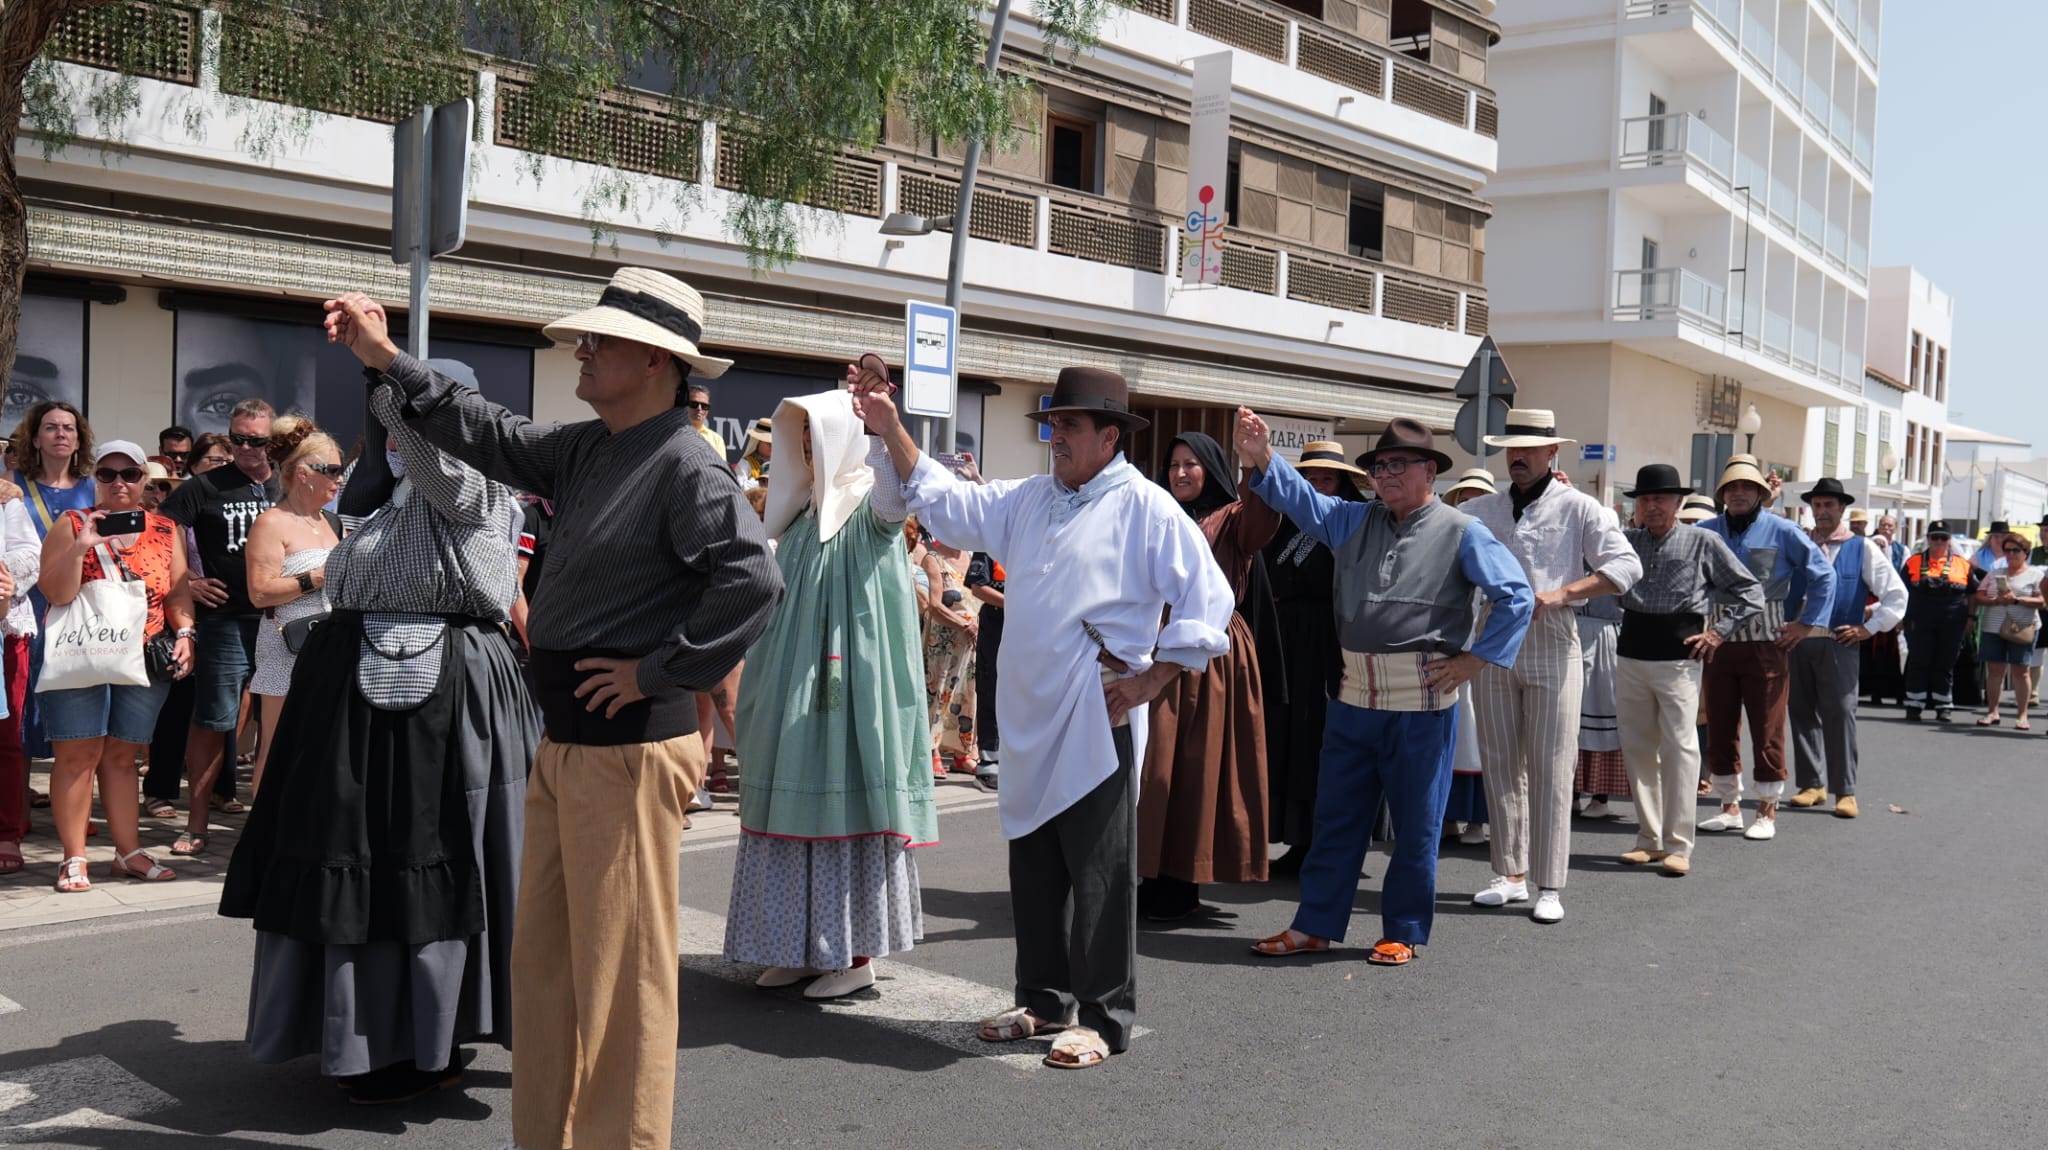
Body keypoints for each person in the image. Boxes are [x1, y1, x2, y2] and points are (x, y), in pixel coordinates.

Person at [320, 270, 780, 1147]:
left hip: (628, 744)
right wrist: (384, 359)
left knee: (622, 976)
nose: (583, 348)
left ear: (654, 360)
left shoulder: (685, 461)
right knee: (548, 972)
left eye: (599, 340)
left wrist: (659, 673)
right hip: (571, 738)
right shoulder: (592, 445)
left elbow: (754, 579)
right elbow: (486, 432)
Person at [853, 364, 1232, 1070]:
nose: (1055, 436)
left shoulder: (1147, 507)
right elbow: (946, 501)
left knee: (1099, 870)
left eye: (1071, 426)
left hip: (1097, 709)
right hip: (1029, 710)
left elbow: (1210, 599)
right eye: (1052, 424)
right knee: (1033, 861)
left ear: (1110, 436)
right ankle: (1043, 998)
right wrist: (890, 426)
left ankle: (1104, 1015)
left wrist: (1155, 677)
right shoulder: (1028, 498)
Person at [218, 354, 532, 1105]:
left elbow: (440, 470)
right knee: (358, 864)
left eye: (412, 412)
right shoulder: (379, 501)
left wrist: (391, 378)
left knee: (433, 858)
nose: (393, 432)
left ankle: (424, 1039)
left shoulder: (475, 482)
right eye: (387, 416)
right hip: (356, 699)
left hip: (445, 696)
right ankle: (369, 1035)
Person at [1240, 412, 1532, 967]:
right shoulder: (1354, 519)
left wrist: (1474, 660)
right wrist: (1261, 456)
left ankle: (1404, 930)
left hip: (1422, 705)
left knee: (1417, 825)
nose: (1385, 474)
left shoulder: (1461, 531)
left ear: (1430, 471)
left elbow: (1515, 596)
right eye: (1378, 465)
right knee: (1335, 821)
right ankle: (1315, 926)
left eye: (1399, 464)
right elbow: (1302, 501)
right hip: (1353, 699)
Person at [724, 387, 934, 999]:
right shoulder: (794, 522)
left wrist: (880, 427)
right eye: (804, 441)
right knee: (791, 809)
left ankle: (855, 955)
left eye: (819, 436)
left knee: (842, 807)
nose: (809, 451)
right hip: (792, 694)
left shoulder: (869, 513)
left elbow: (898, 494)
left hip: (848, 702)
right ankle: (803, 948)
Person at [1463, 410, 1640, 925]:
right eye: (1511, 449)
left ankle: (1550, 883)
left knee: (1552, 763)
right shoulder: (1480, 509)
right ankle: (1509, 873)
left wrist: (1564, 593)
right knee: (1499, 757)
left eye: (1528, 449)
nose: (1517, 457)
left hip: (1553, 636)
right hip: (1493, 637)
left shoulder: (1581, 507)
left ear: (1551, 453)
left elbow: (1626, 567)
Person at [41, 440, 197, 893]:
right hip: (83, 652)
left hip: (144, 655)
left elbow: (177, 593)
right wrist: (82, 547)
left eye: (129, 474)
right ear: (96, 480)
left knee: (123, 757)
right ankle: (74, 857)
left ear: (144, 480)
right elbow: (55, 593)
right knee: (77, 755)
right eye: (107, 475)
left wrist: (186, 633)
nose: (119, 483)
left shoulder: (166, 529)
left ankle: (127, 852)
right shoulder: (71, 524)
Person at [1137, 431, 1279, 922]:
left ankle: (1179, 885)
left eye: (1191, 464)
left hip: (1212, 654)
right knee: (1152, 767)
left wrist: (1253, 464)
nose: (1180, 472)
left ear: (1211, 469)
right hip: (1156, 643)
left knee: (1195, 770)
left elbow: (1263, 520)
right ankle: (1147, 875)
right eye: (1173, 463)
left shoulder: (1233, 518)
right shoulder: (1157, 514)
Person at [1609, 464, 1763, 876]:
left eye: (1660, 498)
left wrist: (1718, 634)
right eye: (1644, 499)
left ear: (1678, 502)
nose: (1651, 506)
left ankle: (1679, 844)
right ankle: (1648, 838)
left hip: (1679, 658)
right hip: (1631, 652)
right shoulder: (1626, 542)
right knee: (1639, 749)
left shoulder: (1703, 541)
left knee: (1680, 749)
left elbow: (1751, 592)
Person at [158, 398, 278, 855]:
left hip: (283, 619)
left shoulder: (291, 482)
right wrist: (187, 580)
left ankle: (269, 821)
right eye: (238, 439)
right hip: (226, 619)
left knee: (279, 722)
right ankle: (197, 823)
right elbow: (161, 529)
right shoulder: (205, 486)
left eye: (257, 440)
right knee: (213, 720)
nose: (246, 448)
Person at [1696, 455, 1834, 842]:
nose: (1739, 494)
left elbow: (1822, 574)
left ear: (1759, 493)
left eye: (1746, 487)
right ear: (1722, 493)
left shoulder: (1783, 530)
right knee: (1720, 723)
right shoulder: (1706, 530)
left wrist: (1806, 623)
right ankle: (1729, 807)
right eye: (1732, 487)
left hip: (1766, 639)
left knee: (1767, 725)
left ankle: (1767, 810)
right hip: (1718, 640)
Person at [1262, 442, 1368, 874]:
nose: (1317, 485)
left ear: (1341, 483)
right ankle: (1293, 836)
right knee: (1285, 737)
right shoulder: (1281, 521)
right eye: (1310, 478)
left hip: (1329, 640)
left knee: (1319, 739)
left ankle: (1324, 842)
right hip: (1283, 637)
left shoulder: (1351, 525)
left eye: (1326, 478)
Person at [1786, 479, 1905, 819]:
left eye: (1829, 505)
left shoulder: (1861, 547)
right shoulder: (1800, 543)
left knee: (1840, 712)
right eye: (1817, 505)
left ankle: (1845, 790)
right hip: (1798, 638)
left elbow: (1896, 594)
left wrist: (1868, 628)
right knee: (1801, 710)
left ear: (1841, 509)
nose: (1822, 511)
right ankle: (1811, 784)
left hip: (1840, 639)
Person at [241, 418, 343, 798]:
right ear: (303, 473)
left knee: (318, 747)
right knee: (278, 745)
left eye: (340, 469)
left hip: (327, 648)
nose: (339, 478)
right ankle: (263, 841)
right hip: (286, 649)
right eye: (331, 469)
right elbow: (259, 593)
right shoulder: (271, 523)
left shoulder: (329, 521)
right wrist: (316, 577)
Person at [11, 401, 98, 772]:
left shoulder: (95, 489)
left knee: (70, 692)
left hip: (76, 601)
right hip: (27, 603)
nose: (60, 434)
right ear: (34, 439)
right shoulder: (11, 486)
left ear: (79, 441)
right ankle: (21, 794)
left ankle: (71, 793)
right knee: (24, 695)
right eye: (50, 428)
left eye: (68, 428)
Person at [1440, 465, 1496, 846]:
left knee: (1482, 738)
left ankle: (1479, 820)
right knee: (1454, 737)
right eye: (1465, 498)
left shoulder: (1496, 548)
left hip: (1485, 655)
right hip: (1452, 649)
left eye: (1479, 499)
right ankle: (1448, 818)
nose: (1471, 504)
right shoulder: (1446, 545)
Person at [1900, 521, 1980, 724]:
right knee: (1918, 661)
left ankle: (1943, 705)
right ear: (1928, 539)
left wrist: (1971, 618)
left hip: (1952, 622)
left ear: (1949, 541)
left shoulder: (1963, 564)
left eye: (1943, 538)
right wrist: (1899, 618)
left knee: (1945, 663)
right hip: (1919, 620)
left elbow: (1972, 594)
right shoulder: (1913, 562)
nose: (1938, 542)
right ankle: (1914, 705)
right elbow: (1901, 593)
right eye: (1934, 537)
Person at [921, 533, 980, 776]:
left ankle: (961, 753)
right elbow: (934, 604)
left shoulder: (971, 558)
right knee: (938, 695)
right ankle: (932, 751)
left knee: (967, 697)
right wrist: (964, 624)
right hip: (943, 643)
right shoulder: (932, 558)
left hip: (972, 643)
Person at [0, 482, 35, 876]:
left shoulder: (5, 496)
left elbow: (29, 552)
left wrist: (6, 576)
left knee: (5, 736)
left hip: (5, 626)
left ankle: (5, 830)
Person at [1973, 535, 2041, 730]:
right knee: (1995, 670)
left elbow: (2042, 602)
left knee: (2021, 671)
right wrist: (1995, 600)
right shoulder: (1994, 573)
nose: (2011, 554)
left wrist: (2017, 600)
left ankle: (2022, 714)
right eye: (2008, 550)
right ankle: (1992, 711)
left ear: (2025, 553)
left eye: (2016, 550)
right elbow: (1979, 595)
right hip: (1993, 627)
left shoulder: (2035, 575)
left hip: (2022, 628)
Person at [965, 545, 1005, 792]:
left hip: (1029, 625)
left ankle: (1013, 760)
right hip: (997, 623)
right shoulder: (991, 542)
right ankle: (988, 762)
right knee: (991, 688)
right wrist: (1014, 603)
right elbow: (977, 585)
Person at [684, 381, 728, 462]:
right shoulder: (673, 433)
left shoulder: (717, 439)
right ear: (685, 404)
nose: (699, 408)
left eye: (704, 406)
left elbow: (720, 470)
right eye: (694, 404)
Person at [737, 416, 772, 487]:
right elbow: (739, 487)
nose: (772, 446)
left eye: (776, 443)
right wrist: (762, 483)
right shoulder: (745, 463)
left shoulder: (781, 465)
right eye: (769, 443)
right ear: (757, 442)